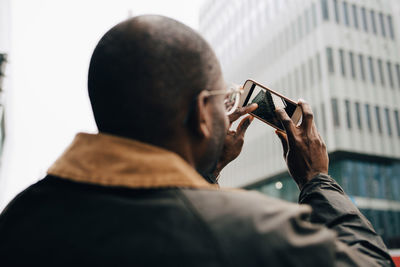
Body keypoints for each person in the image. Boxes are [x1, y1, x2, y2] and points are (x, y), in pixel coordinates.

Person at [0, 15, 394, 266]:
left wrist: (206, 170)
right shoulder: (253, 231)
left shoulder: (18, 219)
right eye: (223, 99)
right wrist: (317, 181)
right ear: (201, 115)